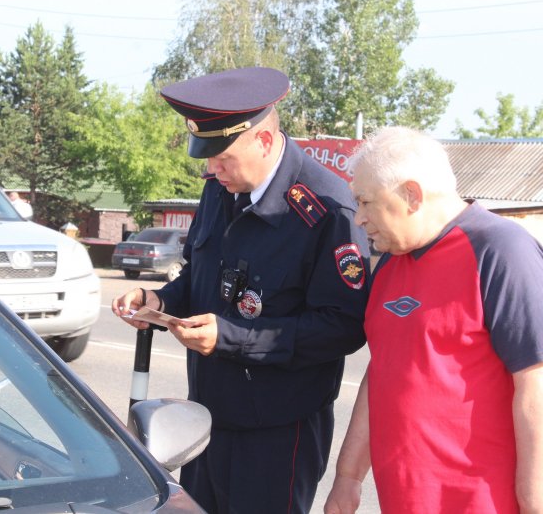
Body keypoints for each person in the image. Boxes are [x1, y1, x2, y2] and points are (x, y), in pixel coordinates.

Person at [111, 67, 370, 513]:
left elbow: (342, 328)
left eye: (222, 158)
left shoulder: (326, 210)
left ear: (264, 141)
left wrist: (231, 338)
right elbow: (200, 275)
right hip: (207, 419)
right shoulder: (220, 190)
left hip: (277, 432)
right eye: (208, 159)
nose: (212, 170)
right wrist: (160, 302)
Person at [323, 127, 543, 514]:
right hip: (403, 498)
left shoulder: (500, 251)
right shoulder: (390, 263)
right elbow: (384, 371)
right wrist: (348, 477)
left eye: (366, 202)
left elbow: (535, 385)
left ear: (412, 195)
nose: (358, 218)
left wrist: (533, 501)